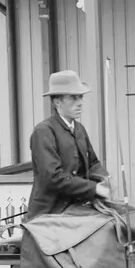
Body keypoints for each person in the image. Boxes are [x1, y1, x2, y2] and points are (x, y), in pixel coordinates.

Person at [25, 70, 112, 221]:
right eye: (73, 98)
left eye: (81, 97)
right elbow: (53, 177)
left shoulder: (79, 129)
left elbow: (92, 164)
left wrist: (105, 179)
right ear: (57, 102)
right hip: (50, 213)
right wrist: (93, 188)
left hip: (77, 207)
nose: (80, 102)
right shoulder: (43, 132)